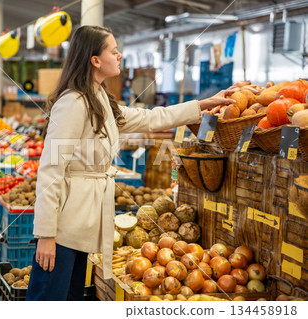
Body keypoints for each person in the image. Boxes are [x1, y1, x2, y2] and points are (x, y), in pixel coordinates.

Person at [26, 25, 235, 301]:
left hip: (82, 223)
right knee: (49, 301)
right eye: (113, 51)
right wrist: (45, 235)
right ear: (95, 60)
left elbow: (150, 118)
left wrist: (203, 105)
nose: (120, 55)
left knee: (71, 298)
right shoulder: (73, 103)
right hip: (63, 228)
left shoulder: (98, 98)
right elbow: (51, 170)